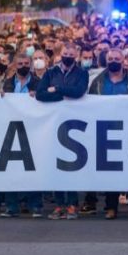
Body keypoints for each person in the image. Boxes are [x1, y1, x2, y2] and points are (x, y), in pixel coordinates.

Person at [89, 48, 128, 220]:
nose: (113, 61)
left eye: (117, 58)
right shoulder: (98, 81)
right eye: (110, 59)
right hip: (106, 128)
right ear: (106, 61)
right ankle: (111, 207)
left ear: (123, 61)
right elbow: (90, 103)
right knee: (111, 171)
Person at [36, 42, 89, 219]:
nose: (68, 57)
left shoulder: (82, 73)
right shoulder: (51, 72)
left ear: (76, 56)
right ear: (61, 54)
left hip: (74, 125)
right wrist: (62, 95)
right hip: (53, 124)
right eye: (66, 53)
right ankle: (60, 204)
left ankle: (72, 204)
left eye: (71, 54)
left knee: (71, 165)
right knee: (56, 165)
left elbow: (78, 91)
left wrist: (57, 89)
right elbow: (40, 94)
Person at [1, 52, 44, 218]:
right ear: (14, 65)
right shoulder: (8, 83)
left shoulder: (38, 82)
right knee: (11, 169)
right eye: (20, 64)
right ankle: (11, 206)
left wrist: (38, 95)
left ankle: (35, 206)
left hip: (33, 129)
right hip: (12, 128)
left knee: (34, 169)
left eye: (26, 64)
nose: (23, 67)